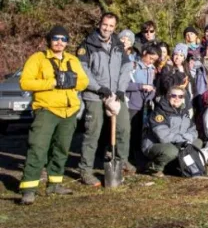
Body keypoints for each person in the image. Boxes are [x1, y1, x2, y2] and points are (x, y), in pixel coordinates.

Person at [17, 26, 90, 205]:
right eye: (56, 38)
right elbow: (25, 82)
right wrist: (53, 82)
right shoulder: (38, 58)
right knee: (38, 148)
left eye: (63, 39)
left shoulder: (72, 59)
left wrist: (72, 81)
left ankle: (55, 184)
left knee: (62, 148)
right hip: (47, 110)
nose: (59, 42)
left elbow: (84, 81)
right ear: (49, 40)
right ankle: (29, 189)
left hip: (69, 111)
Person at [77, 12, 134, 186]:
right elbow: (83, 69)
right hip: (94, 95)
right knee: (92, 132)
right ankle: (85, 170)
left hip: (116, 94)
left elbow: (126, 66)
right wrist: (98, 87)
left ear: (114, 27)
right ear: (100, 24)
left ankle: (120, 161)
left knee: (124, 128)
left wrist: (121, 90)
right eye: (105, 25)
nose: (107, 28)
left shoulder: (117, 44)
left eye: (111, 26)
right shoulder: (87, 44)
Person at [142, 85, 201, 177]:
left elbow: (193, 130)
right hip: (156, 145)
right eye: (174, 96)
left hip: (177, 142)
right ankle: (153, 167)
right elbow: (164, 137)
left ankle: (174, 166)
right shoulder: (159, 112)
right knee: (171, 151)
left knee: (197, 142)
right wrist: (184, 139)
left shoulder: (185, 111)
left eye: (180, 96)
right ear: (168, 96)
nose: (177, 98)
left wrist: (188, 139)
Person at [126, 46, 159, 166]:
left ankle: (137, 154)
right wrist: (141, 86)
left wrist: (151, 93)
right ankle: (127, 156)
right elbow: (124, 85)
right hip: (131, 104)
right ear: (144, 53)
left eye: (154, 60)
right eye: (150, 58)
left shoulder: (151, 69)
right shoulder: (133, 66)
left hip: (144, 105)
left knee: (140, 131)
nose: (151, 61)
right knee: (130, 131)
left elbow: (151, 86)